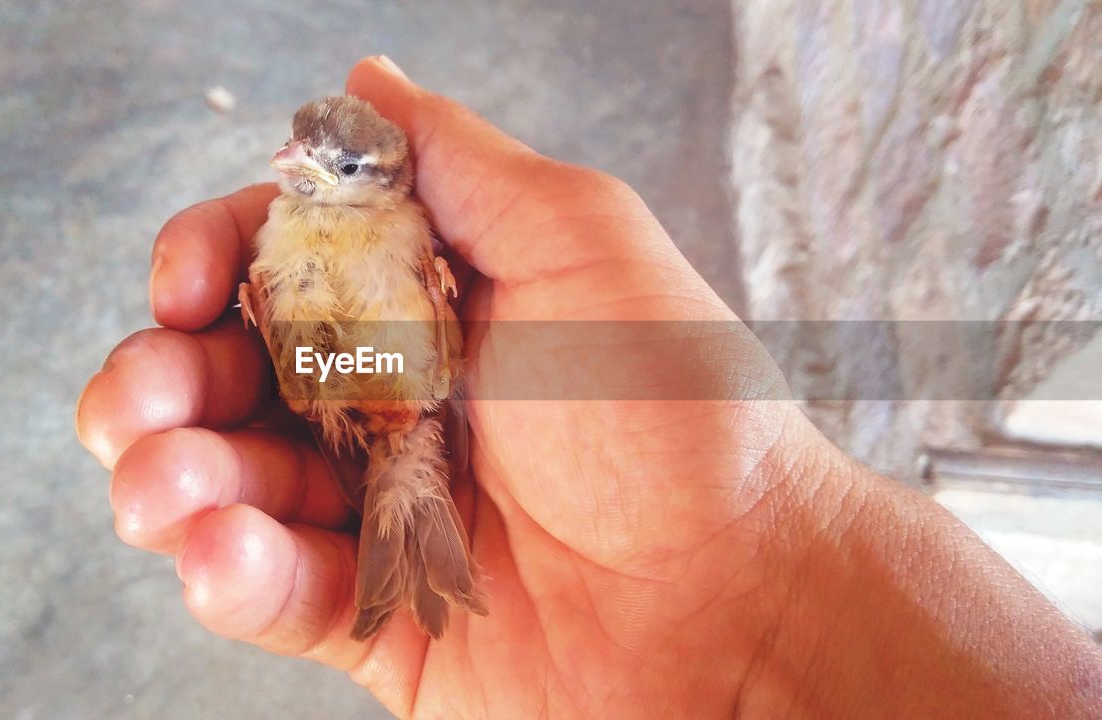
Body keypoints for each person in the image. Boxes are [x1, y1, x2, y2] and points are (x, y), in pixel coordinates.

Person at [76, 56, 1102, 718]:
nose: (300, 168)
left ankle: (397, 495)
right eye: (302, 151)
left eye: (332, 165)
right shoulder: (289, 232)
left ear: (382, 179)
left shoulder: (405, 235)